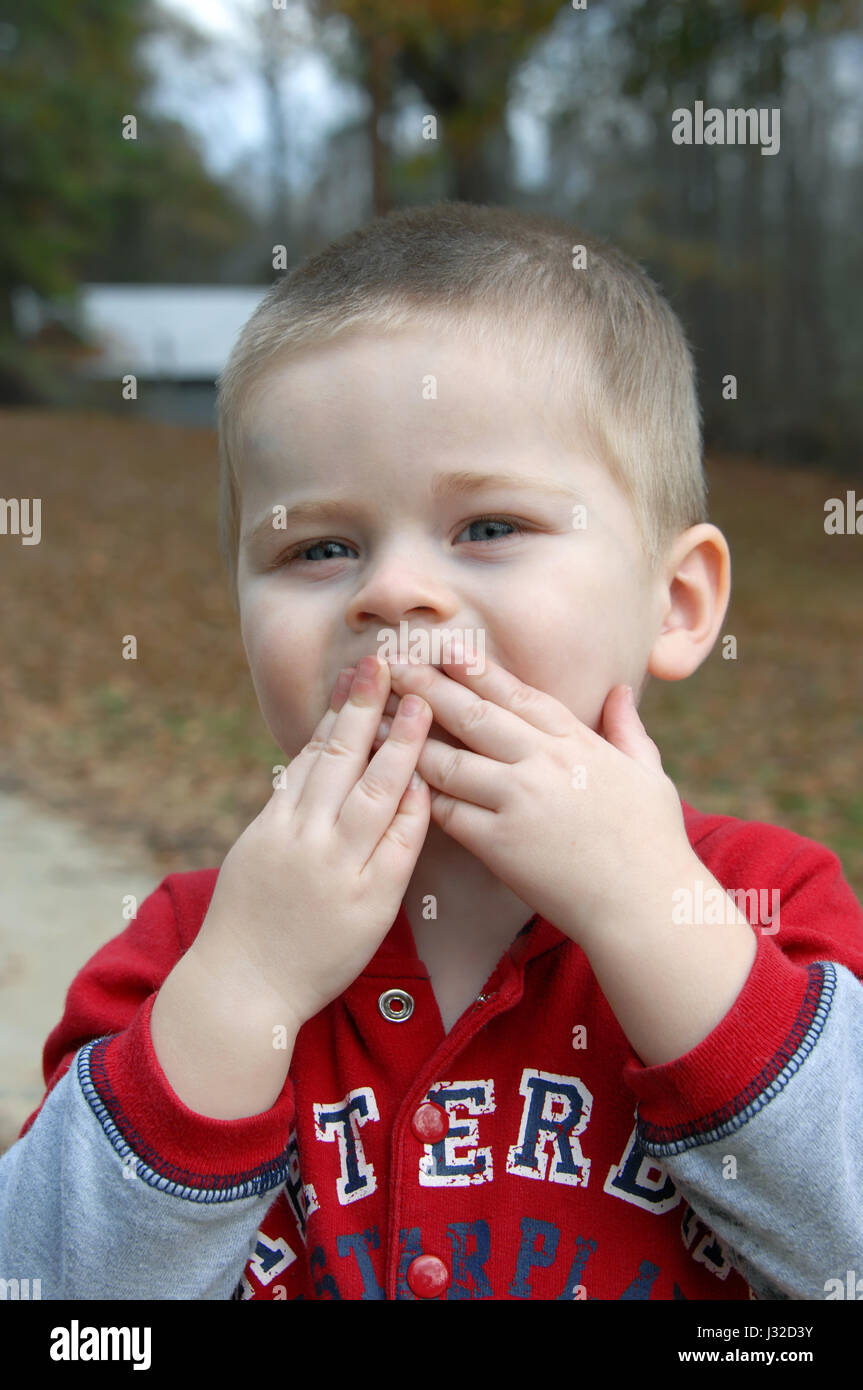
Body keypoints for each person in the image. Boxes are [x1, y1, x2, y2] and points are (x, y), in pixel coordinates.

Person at [2, 202, 862, 1301]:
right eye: (318, 546)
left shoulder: (762, 907)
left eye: (487, 527)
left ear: (677, 602)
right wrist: (246, 985)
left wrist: (647, 913)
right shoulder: (181, 954)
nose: (391, 591)